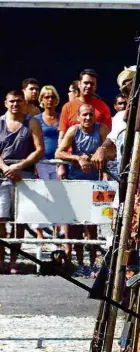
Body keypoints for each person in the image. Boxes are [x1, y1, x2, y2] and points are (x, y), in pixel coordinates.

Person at [55, 104, 109, 275]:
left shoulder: (102, 130)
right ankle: (79, 263)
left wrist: (99, 155)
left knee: (93, 226)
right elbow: (58, 153)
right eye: (84, 115)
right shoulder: (73, 131)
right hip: (76, 183)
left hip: (96, 184)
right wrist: (77, 158)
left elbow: (113, 151)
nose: (87, 118)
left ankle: (93, 263)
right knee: (75, 227)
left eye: (90, 115)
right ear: (78, 117)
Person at [0, 90, 44, 273]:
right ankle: (0, 260)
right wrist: (5, 168)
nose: (15, 104)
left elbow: (39, 149)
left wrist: (20, 166)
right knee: (1, 221)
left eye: (19, 101)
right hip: (2, 176)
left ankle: (14, 261)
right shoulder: (0, 122)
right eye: (12, 101)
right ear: (5, 103)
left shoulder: (31, 122)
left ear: (24, 103)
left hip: (24, 176)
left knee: (20, 221)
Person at [58, 69, 111, 179]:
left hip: (98, 167)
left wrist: (105, 169)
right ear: (79, 84)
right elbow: (61, 138)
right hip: (71, 164)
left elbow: (109, 140)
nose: (88, 86)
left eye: (92, 84)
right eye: (86, 83)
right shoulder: (67, 107)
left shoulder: (103, 107)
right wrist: (60, 165)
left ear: (95, 87)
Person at [91, 65, 136, 175]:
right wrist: (101, 149)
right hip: (126, 178)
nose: (131, 95)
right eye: (126, 92)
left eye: (133, 88)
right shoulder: (119, 117)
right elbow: (112, 140)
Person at [34, 85, 61, 239]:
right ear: (41, 100)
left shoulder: (60, 117)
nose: (49, 100)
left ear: (56, 99)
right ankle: (39, 234)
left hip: (58, 162)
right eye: (46, 97)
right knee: (42, 196)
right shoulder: (36, 120)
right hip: (41, 162)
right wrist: (35, 164)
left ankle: (57, 233)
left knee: (57, 197)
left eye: (52, 97)